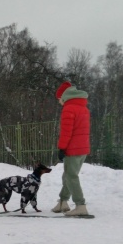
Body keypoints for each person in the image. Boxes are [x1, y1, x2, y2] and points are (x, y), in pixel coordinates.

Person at [51, 81, 91, 216]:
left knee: (71, 176)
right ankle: (63, 202)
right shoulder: (83, 108)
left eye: (59, 98)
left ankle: (80, 205)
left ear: (64, 96)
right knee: (68, 175)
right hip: (82, 148)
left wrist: (62, 148)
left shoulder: (69, 109)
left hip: (72, 149)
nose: (59, 101)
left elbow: (66, 132)